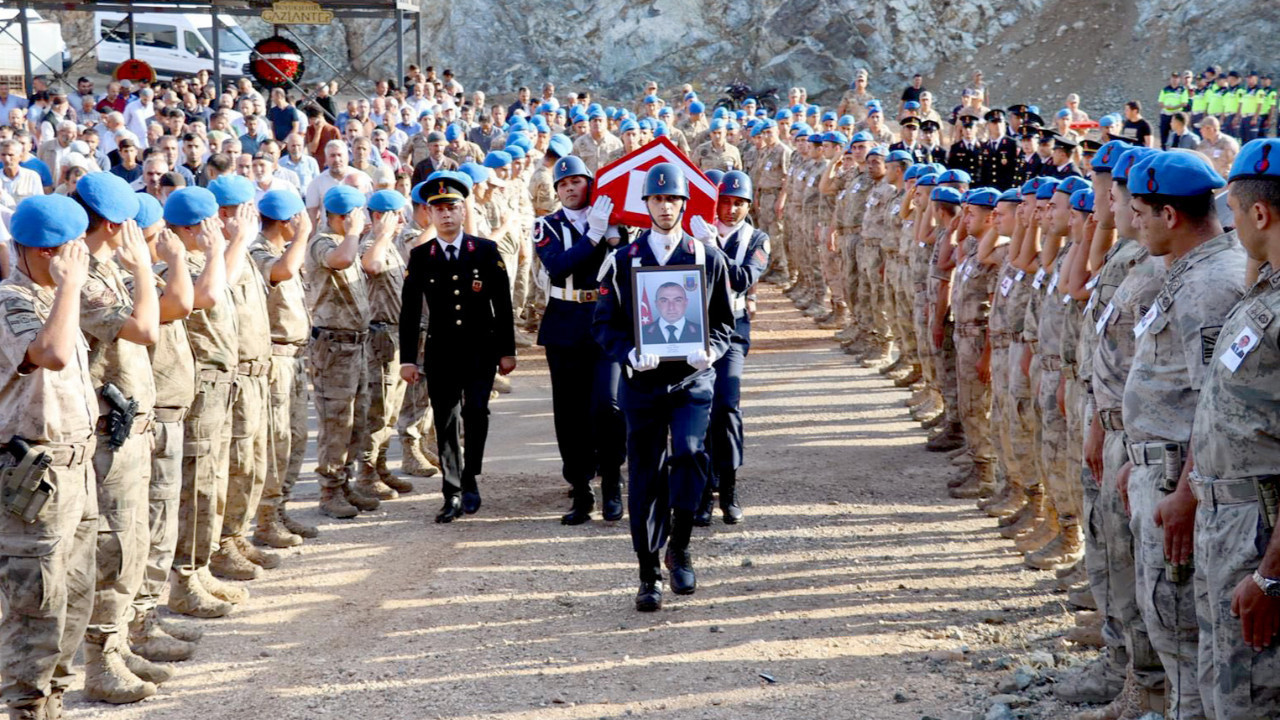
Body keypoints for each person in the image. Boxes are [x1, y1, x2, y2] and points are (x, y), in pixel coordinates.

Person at [1123, 150, 1246, 718]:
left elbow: (1211, 405)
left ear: (1169, 215)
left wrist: (1185, 492)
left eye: (1139, 212)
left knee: (1186, 636)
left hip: (1183, 479)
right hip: (1163, 470)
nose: (1131, 224)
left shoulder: (1211, 286)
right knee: (1170, 627)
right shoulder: (1191, 273)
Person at [592, 162, 735, 611]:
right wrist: (629, 353)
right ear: (646, 205)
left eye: (672, 198)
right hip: (644, 382)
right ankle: (648, 572)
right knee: (646, 474)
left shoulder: (705, 256)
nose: (665, 206)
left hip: (692, 378)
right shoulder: (623, 261)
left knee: (691, 455)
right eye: (656, 199)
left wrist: (710, 350)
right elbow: (605, 324)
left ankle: (681, 544)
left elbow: (724, 322)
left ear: (683, 203)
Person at [1188, 138, 1280, 719]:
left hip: (1261, 535)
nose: (1228, 223)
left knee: (1252, 699)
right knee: (1223, 691)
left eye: (1236, 211)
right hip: (1230, 523)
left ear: (1260, 214)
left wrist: (1270, 577)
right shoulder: (1265, 288)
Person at [0, 194, 99, 720]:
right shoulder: (12, 300)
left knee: (75, 595)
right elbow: (53, 355)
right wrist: (69, 288)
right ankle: (27, 709)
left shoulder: (55, 296)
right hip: (34, 476)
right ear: (40, 253)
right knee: (34, 604)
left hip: (75, 467)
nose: (79, 255)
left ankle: (54, 700)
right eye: (69, 248)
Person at [399, 172, 516, 523]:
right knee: (445, 419)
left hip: (481, 349)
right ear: (429, 215)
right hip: (441, 351)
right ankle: (451, 491)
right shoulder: (421, 256)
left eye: (451, 207)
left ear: (463, 211)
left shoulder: (484, 251)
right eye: (438, 210)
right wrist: (408, 359)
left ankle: (470, 476)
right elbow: (409, 312)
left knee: (477, 412)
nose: (445, 215)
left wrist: (507, 351)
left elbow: (503, 304)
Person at [534, 156, 627, 525]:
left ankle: (612, 482)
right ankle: (581, 488)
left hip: (605, 319)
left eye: (577, 181)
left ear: (590, 184)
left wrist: (615, 235)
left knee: (608, 404)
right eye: (563, 184)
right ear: (557, 191)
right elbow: (558, 266)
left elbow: (626, 262)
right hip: (565, 320)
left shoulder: (611, 219)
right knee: (570, 411)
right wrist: (593, 235)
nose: (571, 188)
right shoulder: (547, 225)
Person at [691, 170, 769, 525]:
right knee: (701, 408)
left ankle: (730, 488)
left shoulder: (757, 239)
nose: (732, 210)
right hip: (695, 328)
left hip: (733, 328)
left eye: (739, 203)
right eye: (725, 202)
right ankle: (704, 492)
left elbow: (740, 278)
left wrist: (712, 248)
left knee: (726, 403)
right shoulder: (693, 231)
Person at [304, 185, 383, 519]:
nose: (362, 220)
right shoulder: (324, 241)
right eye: (356, 214)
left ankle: (345, 481)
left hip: (357, 343)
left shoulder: (346, 241)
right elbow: (343, 260)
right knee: (337, 422)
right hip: (333, 346)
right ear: (342, 216)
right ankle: (329, 489)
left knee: (357, 419)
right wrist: (351, 232)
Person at [248, 190, 317, 547]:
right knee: (277, 442)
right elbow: (282, 272)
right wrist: (303, 234)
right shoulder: (260, 251)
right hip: (274, 359)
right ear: (287, 221)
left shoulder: (282, 250)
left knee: (296, 438)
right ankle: (265, 519)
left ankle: (280, 510)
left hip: (294, 358)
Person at [357, 190, 416, 499]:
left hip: (394, 335)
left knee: (391, 411)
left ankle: (380, 467)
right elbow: (371, 266)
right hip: (379, 337)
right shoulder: (372, 244)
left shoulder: (390, 246)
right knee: (377, 412)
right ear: (380, 217)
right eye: (397, 215)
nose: (403, 221)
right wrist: (380, 234)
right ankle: (365, 475)